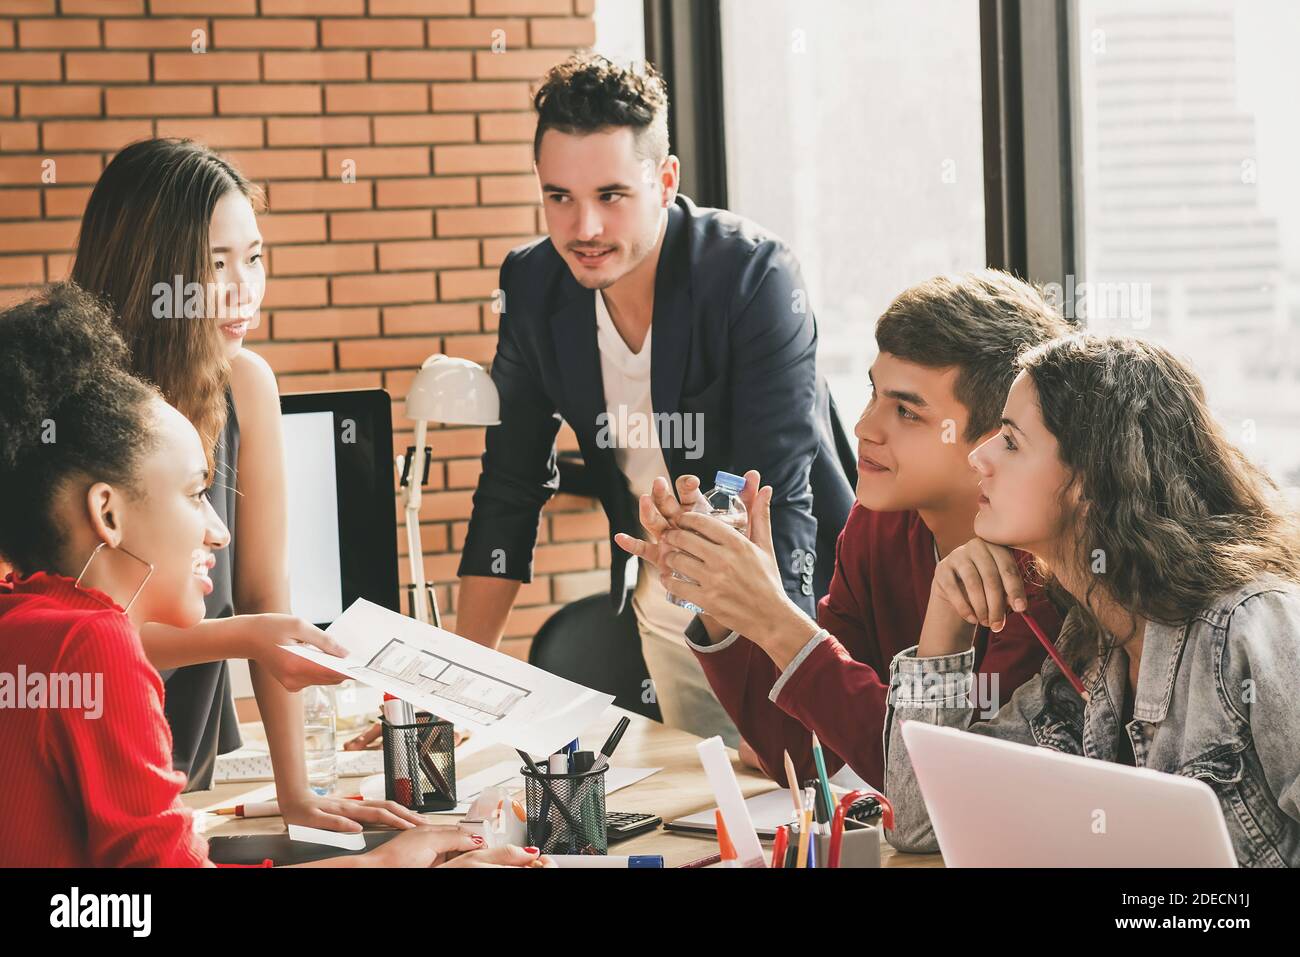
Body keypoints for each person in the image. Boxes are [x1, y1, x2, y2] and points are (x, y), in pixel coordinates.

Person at [0, 284, 548, 868]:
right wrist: (386, 863)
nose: (220, 531)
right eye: (195, 494)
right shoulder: (93, 645)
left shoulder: (24, 624)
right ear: (107, 513)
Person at [455, 54, 854, 745]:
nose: (582, 227)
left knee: (797, 827)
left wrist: (791, 674)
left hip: (790, 619)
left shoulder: (752, 278)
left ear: (664, 180)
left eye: (611, 195)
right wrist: (459, 681)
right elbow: (509, 487)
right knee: (705, 833)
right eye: (559, 197)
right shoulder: (532, 285)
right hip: (668, 625)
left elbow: (780, 499)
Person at [619, 271, 1071, 786]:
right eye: (873, 394)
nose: (863, 427)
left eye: (905, 411)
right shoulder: (876, 525)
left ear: (996, 438)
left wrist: (775, 618)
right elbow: (801, 749)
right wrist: (729, 607)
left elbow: (935, 787)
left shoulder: (1038, 576)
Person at [883, 333, 1300, 867]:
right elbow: (919, 824)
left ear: (1092, 480)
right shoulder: (1089, 650)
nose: (978, 456)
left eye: (1010, 442)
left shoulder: (1257, 624)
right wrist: (946, 622)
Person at [69, 138, 374, 833]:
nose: (245, 288)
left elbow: (268, 594)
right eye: (214, 265)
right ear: (152, 271)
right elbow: (76, 637)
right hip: (86, 739)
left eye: (256, 256)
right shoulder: (77, 403)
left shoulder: (246, 385)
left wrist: (296, 792)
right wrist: (244, 637)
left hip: (185, 757)